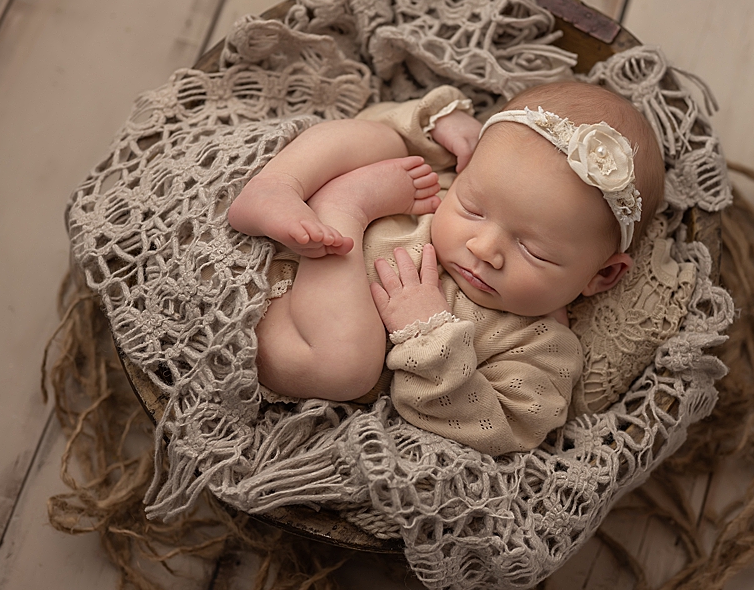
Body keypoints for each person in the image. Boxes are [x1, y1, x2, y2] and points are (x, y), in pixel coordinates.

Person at [227, 77, 664, 452]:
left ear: (602, 275)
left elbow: (498, 427)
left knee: (348, 367)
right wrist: (434, 123)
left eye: (534, 251)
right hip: (270, 246)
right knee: (382, 140)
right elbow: (378, 115)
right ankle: (277, 185)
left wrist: (427, 333)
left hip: (280, 331)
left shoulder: (539, 347)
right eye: (473, 209)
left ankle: (341, 206)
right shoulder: (444, 183)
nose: (484, 247)